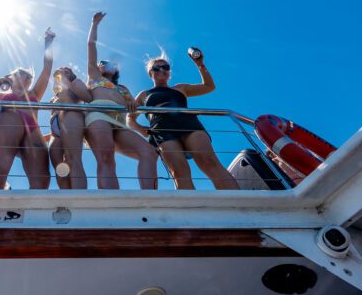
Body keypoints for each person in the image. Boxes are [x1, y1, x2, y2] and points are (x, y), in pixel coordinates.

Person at [128, 49, 239, 190]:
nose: (161, 70)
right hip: (162, 129)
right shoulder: (144, 94)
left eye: (165, 67)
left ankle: (239, 207)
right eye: (156, 68)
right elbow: (129, 118)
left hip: (188, 124)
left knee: (209, 161)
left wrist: (200, 64)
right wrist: (140, 129)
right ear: (150, 73)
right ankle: (192, 211)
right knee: (179, 171)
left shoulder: (181, 88)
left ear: (169, 72)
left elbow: (209, 87)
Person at [0, 28, 55, 189]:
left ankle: (35, 211)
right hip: (7, 126)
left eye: (30, 76)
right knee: (0, 167)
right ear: (12, 77)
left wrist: (48, 43)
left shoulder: (34, 93)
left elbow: (46, 71)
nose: (28, 77)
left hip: (32, 132)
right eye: (23, 74)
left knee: (42, 178)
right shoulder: (2, 96)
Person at [86, 12, 158, 189]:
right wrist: (94, 23)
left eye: (109, 63)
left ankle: (151, 200)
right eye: (102, 62)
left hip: (119, 123)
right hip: (98, 116)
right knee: (106, 157)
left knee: (149, 152)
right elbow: (91, 45)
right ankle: (110, 204)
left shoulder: (123, 88)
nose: (105, 63)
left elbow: (132, 106)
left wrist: (133, 105)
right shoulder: (94, 76)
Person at [48, 66, 93, 189]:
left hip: (71, 116)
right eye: (61, 69)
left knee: (72, 159)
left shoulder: (75, 82)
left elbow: (88, 98)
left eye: (66, 70)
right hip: (55, 130)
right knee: (59, 168)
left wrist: (65, 80)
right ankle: (67, 200)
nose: (62, 70)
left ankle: (80, 201)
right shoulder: (55, 94)